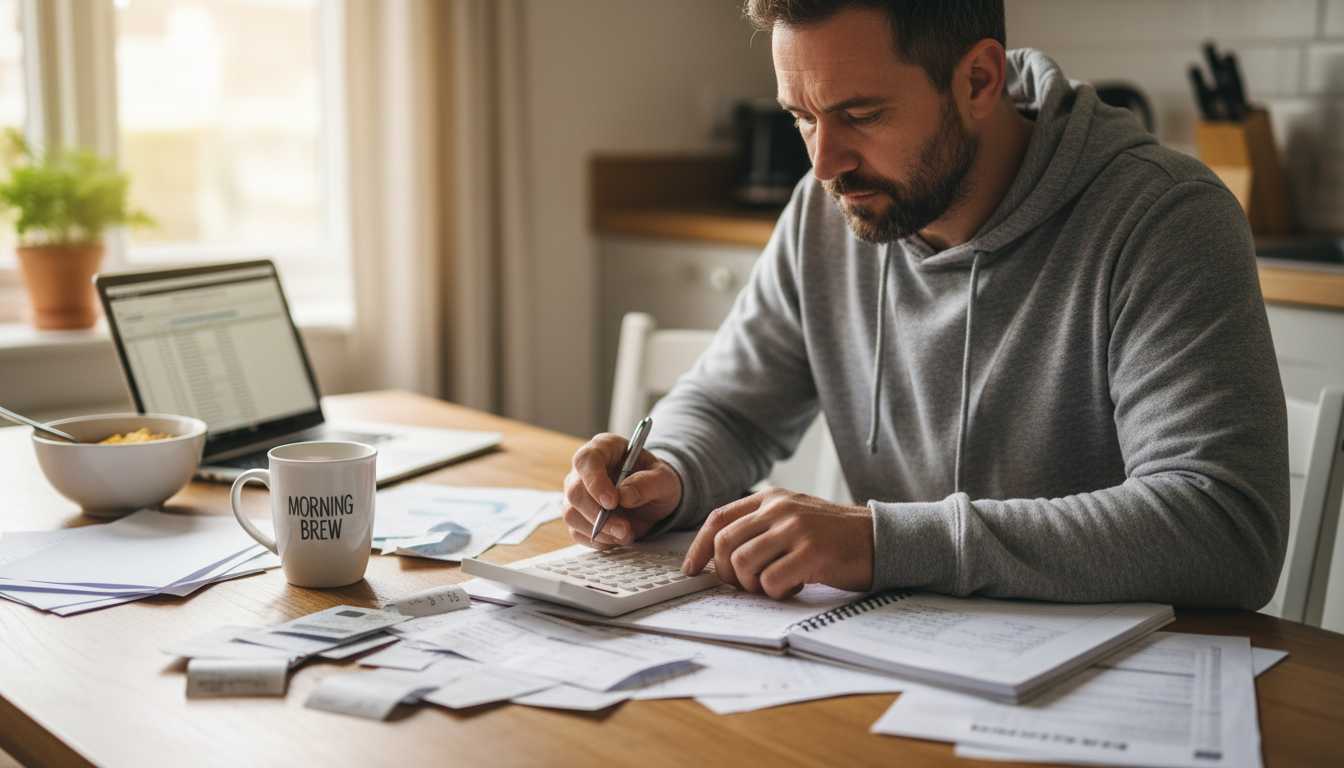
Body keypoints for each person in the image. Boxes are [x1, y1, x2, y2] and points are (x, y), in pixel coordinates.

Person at [562, 0, 1287, 609]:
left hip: (1115, 680)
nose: (824, 163)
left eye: (860, 114)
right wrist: (668, 471)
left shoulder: (1162, 218)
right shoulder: (827, 211)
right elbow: (729, 409)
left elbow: (1224, 528)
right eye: (802, 117)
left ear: (978, 80)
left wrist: (884, 542)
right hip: (896, 658)